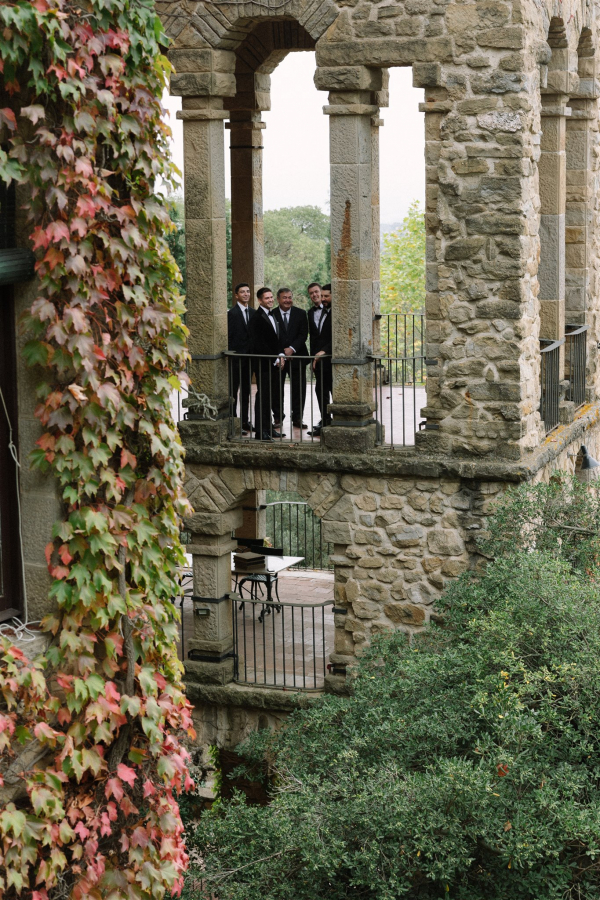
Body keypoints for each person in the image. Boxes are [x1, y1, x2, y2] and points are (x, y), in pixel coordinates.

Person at [248, 287, 286, 442]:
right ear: (259, 300)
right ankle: (260, 432)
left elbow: (277, 339)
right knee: (262, 397)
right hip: (263, 363)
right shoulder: (256, 318)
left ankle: (268, 428)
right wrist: (274, 358)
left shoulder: (274, 315)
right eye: (267, 298)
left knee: (270, 397)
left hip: (274, 363)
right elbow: (258, 344)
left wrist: (281, 355)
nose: (270, 300)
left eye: (271, 297)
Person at [272, 288, 309, 429]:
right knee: (276, 389)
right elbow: (271, 337)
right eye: (284, 297)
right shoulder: (272, 314)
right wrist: (281, 353)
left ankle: (298, 418)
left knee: (299, 389)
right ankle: (277, 418)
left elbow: (303, 334)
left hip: (298, 357)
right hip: (278, 359)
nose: (288, 300)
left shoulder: (301, 313)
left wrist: (292, 349)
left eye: (289, 297)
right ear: (278, 299)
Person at [227, 283, 255, 435]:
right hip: (236, 359)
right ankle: (233, 421)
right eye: (242, 292)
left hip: (249, 360)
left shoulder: (253, 312)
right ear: (236, 295)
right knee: (233, 391)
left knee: (246, 391)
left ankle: (245, 421)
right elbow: (229, 337)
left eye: (248, 291)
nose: (246, 294)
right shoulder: (231, 313)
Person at [308, 282, 332, 437]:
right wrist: (314, 356)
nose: (322, 298)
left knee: (331, 389)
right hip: (319, 360)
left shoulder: (335, 312)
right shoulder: (315, 312)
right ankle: (325, 420)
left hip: (330, 358)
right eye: (321, 295)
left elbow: (338, 335)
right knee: (320, 389)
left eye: (325, 296)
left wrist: (325, 351)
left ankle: (333, 420)